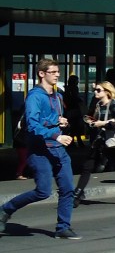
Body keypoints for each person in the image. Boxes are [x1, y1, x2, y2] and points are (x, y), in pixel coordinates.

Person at [0, 58, 79, 239]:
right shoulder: (35, 96)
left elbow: (52, 118)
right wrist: (55, 132)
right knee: (43, 191)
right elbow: (32, 124)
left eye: (58, 72)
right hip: (39, 150)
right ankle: (5, 209)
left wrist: (61, 121)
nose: (57, 75)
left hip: (58, 149)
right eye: (53, 72)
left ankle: (63, 228)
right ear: (42, 74)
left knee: (67, 188)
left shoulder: (58, 95)